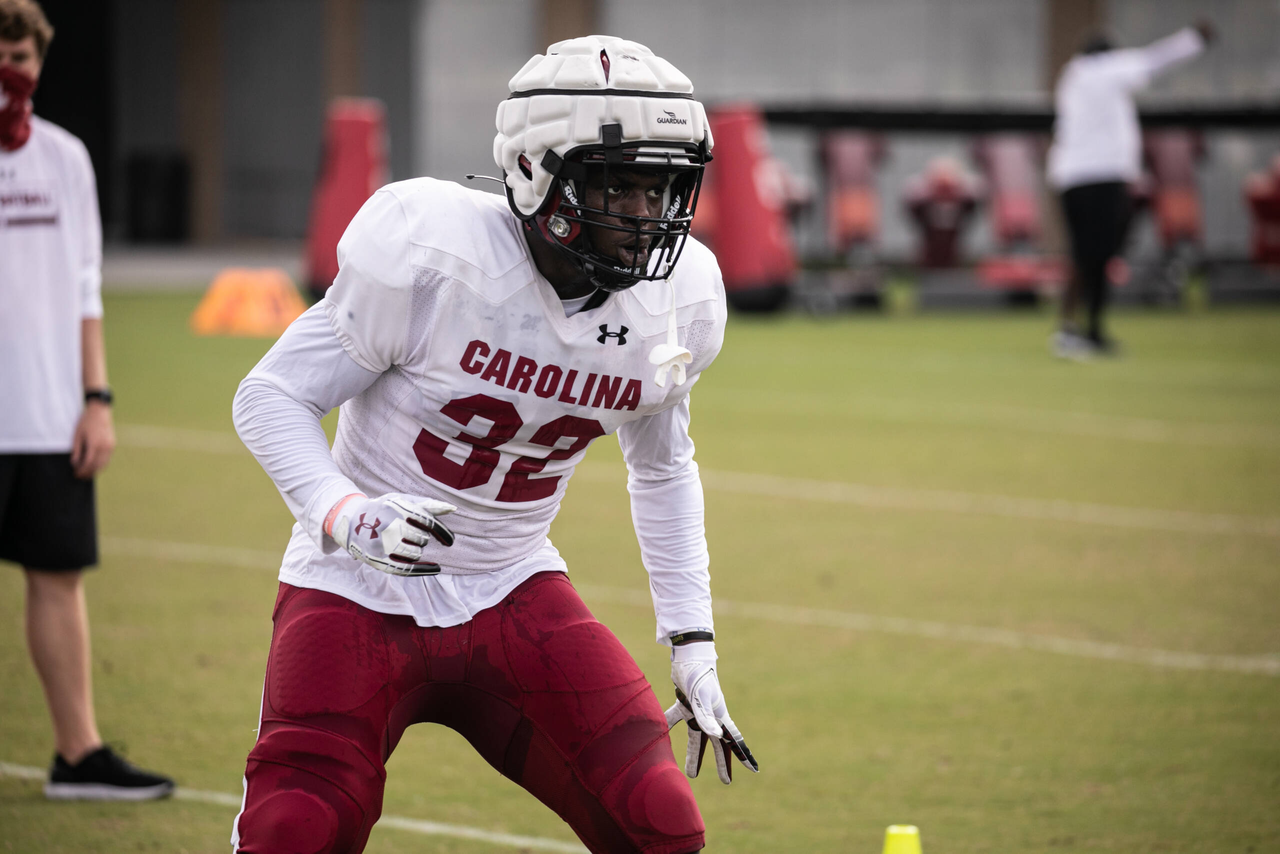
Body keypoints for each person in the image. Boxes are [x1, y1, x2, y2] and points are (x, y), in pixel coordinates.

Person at [230, 35, 756, 854]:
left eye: (661, 187)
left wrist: (692, 640)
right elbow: (269, 395)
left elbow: (662, 467)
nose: (648, 215)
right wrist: (349, 516)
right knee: (297, 827)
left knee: (658, 819)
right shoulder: (434, 252)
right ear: (538, 172)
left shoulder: (678, 299)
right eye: (619, 183)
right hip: (357, 586)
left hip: (512, 586)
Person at [0, 0, 174, 801]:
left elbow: (84, 287)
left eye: (23, 60)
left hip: (46, 415)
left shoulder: (66, 158)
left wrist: (96, 397)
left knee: (59, 575)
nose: (14, 75)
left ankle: (78, 753)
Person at [1048, 21, 1214, 359]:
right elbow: (1155, 59)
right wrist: (1194, 40)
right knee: (1099, 256)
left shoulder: (1072, 76)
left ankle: (1071, 330)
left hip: (1069, 178)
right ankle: (1089, 332)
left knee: (1083, 256)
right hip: (1102, 178)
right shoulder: (1106, 70)